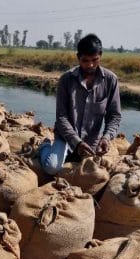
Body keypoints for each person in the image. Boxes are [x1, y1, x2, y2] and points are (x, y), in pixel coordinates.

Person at [39, 33, 121, 175]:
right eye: (85, 60)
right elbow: (62, 118)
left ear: (100, 56)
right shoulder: (66, 79)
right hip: (66, 137)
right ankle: (45, 146)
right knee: (51, 167)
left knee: (100, 173)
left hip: (92, 141)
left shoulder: (110, 80)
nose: (90, 65)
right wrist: (77, 143)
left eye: (94, 60)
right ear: (78, 58)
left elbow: (114, 115)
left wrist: (106, 137)